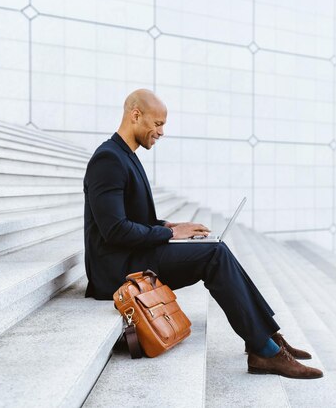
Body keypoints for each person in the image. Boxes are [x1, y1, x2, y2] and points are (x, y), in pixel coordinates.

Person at [83, 89, 323, 379]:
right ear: (136, 115)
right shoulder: (107, 159)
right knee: (214, 255)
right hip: (116, 271)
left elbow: (131, 219)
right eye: (158, 124)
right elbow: (114, 230)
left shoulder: (126, 156)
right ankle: (265, 351)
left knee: (215, 247)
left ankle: (268, 337)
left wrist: (170, 227)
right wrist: (166, 233)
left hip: (134, 256)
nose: (161, 132)